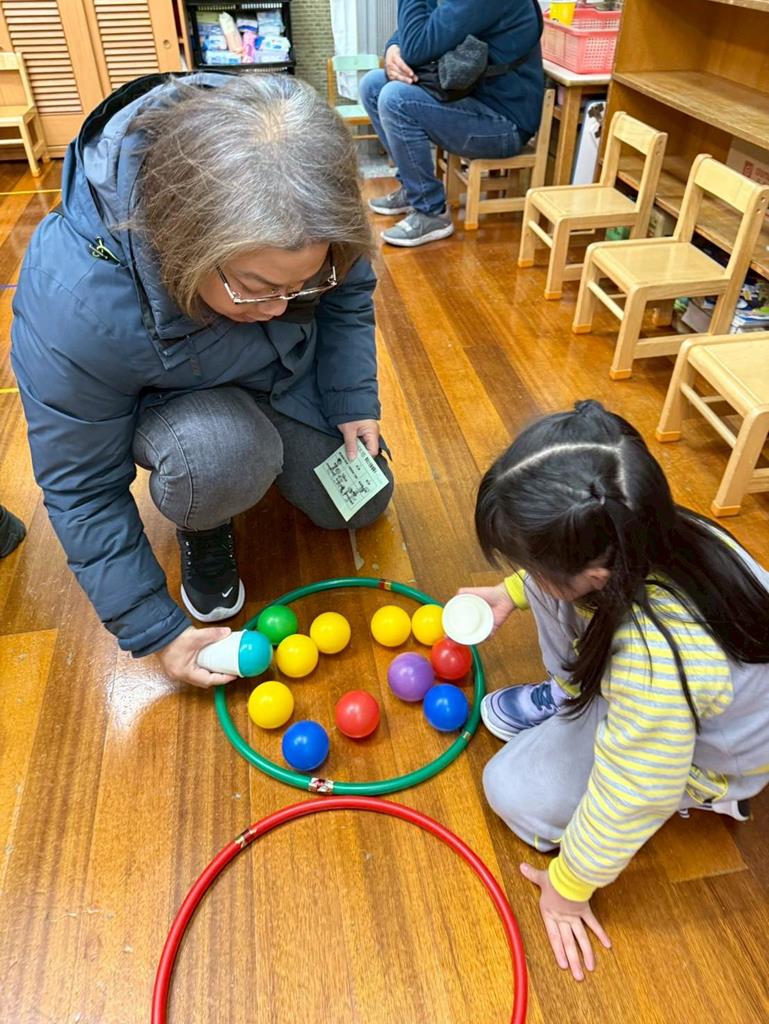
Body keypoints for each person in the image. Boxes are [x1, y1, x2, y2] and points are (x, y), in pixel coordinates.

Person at [11, 72, 393, 689]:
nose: (282, 305)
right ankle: (205, 518)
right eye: (258, 287)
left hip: (275, 372)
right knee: (221, 457)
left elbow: (349, 293)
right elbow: (81, 488)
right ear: (187, 244)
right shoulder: (75, 303)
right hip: (178, 401)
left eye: (303, 284)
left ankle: (258, 451)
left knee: (363, 502)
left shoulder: (306, 200)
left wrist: (351, 398)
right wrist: (154, 628)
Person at [461, 400, 769, 981]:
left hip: (707, 753)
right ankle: (573, 699)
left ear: (597, 575)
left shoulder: (657, 660)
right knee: (549, 590)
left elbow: (634, 792)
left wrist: (567, 888)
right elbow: (559, 572)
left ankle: (705, 792)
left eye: (531, 565)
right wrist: (512, 593)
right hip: (671, 689)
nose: (528, 575)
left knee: (510, 790)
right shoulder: (635, 527)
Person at [360, 0, 544, 247]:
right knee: (372, 85)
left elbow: (416, 48)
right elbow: (424, 22)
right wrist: (394, 46)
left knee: (396, 99)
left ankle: (431, 212)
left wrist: (405, 46)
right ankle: (412, 188)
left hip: (503, 125)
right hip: (470, 100)